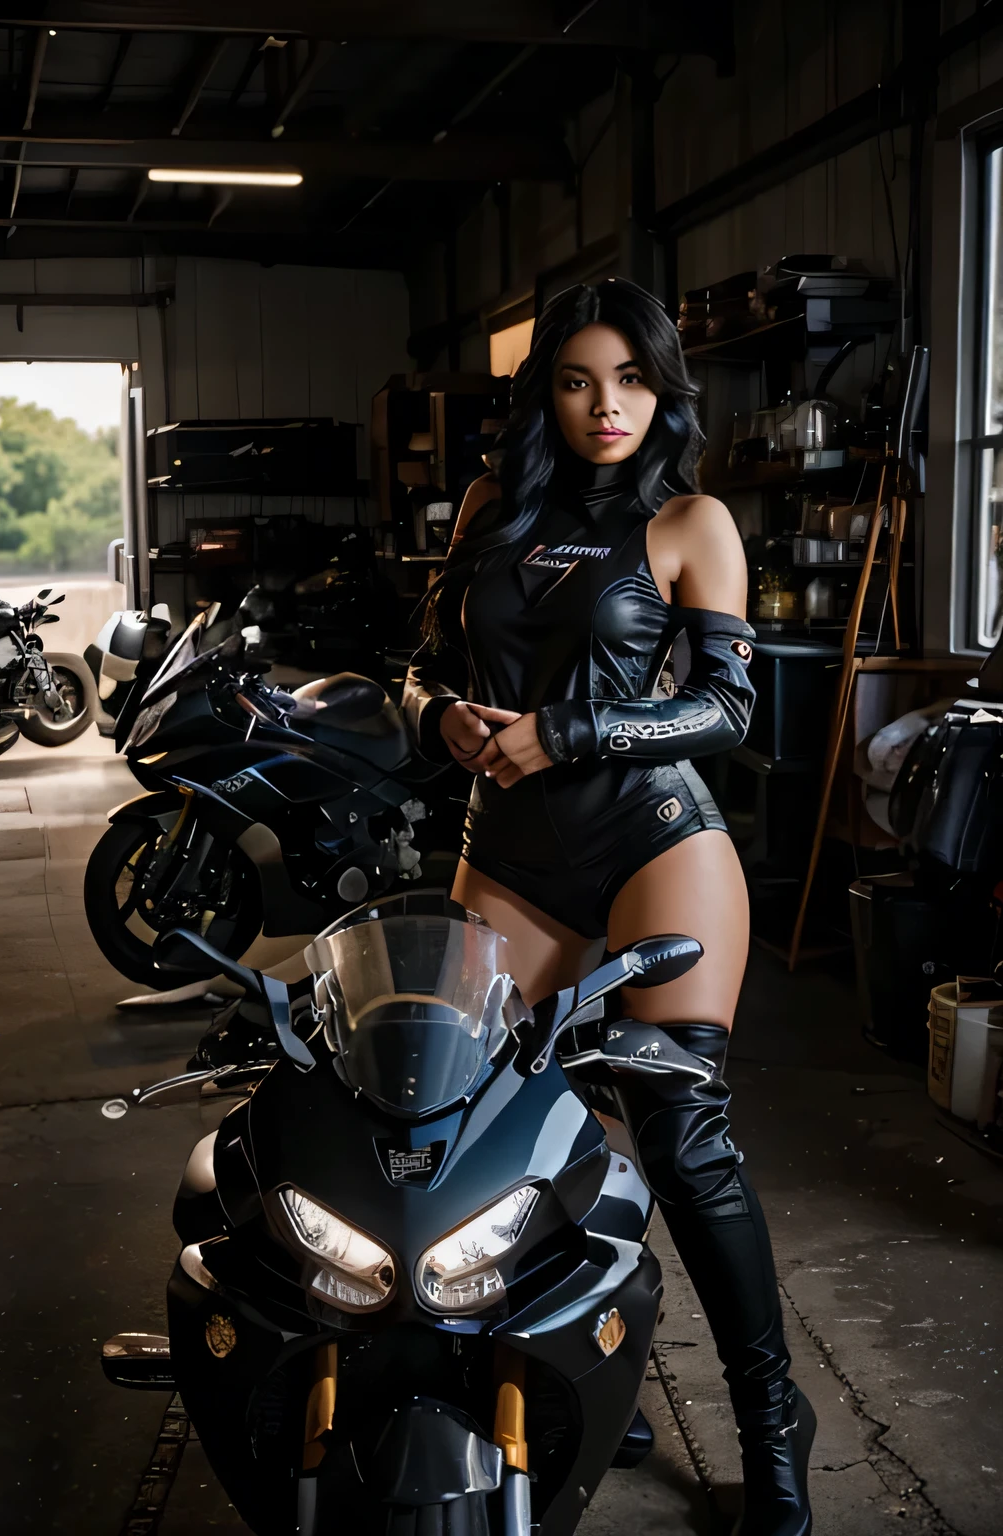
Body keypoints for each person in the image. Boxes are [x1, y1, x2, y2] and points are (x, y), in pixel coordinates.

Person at [403, 277, 814, 1536]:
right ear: (546, 394)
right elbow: (417, 666)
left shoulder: (692, 519)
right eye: (579, 380)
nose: (607, 405)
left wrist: (570, 727)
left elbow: (731, 710)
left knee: (680, 1140)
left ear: (661, 388)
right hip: (509, 855)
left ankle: (771, 1419)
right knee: (470, 1128)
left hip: (652, 842)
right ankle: (580, 1353)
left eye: (631, 379)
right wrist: (438, 715)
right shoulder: (489, 506)